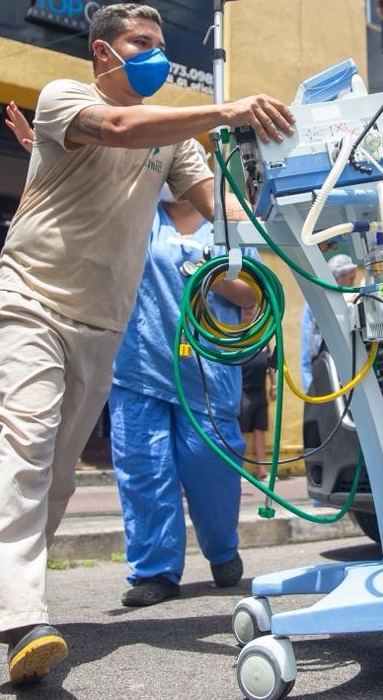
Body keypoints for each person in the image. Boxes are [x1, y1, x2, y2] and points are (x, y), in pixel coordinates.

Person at [0, 1, 293, 686]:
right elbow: (119, 127)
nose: (154, 53)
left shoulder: (175, 141)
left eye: (160, 43)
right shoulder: (66, 99)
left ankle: (10, 587)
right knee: (27, 440)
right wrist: (225, 111)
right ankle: (21, 616)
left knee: (57, 473)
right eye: (140, 42)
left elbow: (225, 213)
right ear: (103, 53)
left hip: (104, 323)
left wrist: (298, 204)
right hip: (31, 300)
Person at [110, 186, 256, 607]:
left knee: (210, 468)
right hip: (139, 368)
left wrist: (211, 272)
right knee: (144, 469)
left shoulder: (226, 221)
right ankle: (153, 571)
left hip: (208, 372)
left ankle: (222, 548)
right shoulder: (137, 213)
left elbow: (252, 291)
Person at [299, 253, 358, 388]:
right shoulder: (316, 303)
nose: (353, 283)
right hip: (326, 373)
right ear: (339, 277)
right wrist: (310, 388)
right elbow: (308, 351)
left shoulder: (353, 299)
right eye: (351, 278)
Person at [237, 303, 275, 479]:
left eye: (251, 308)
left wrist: (274, 385)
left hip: (260, 391)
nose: (248, 311)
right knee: (242, 432)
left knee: (260, 430)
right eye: (245, 308)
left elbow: (270, 363)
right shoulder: (234, 333)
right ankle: (241, 470)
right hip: (242, 391)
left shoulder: (262, 336)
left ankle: (261, 470)